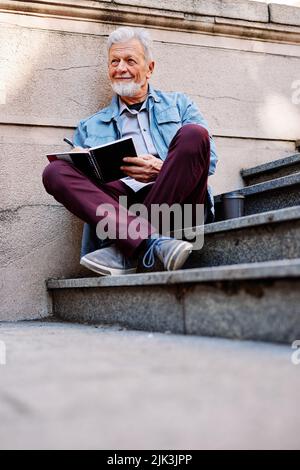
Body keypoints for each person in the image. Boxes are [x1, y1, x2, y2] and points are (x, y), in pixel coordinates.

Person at [42, 26, 218, 276]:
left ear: (150, 68)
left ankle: (128, 249)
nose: (120, 68)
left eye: (130, 60)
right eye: (114, 61)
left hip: (178, 204)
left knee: (194, 134)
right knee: (55, 172)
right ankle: (151, 242)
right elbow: (86, 190)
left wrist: (160, 169)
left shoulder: (180, 105)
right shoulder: (89, 125)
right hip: (122, 209)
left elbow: (209, 161)